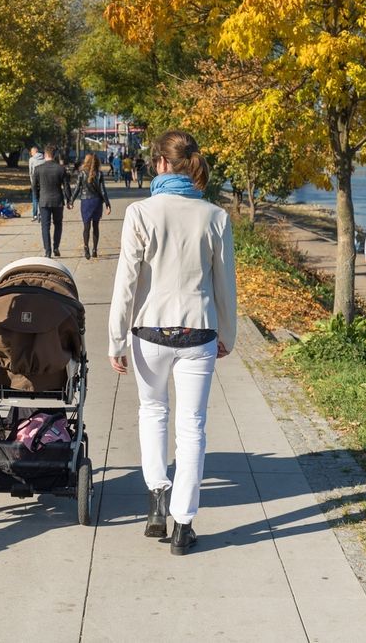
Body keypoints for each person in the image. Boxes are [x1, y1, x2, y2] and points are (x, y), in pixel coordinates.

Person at [108, 130, 237, 556]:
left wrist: (116, 338)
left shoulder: (140, 213)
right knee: (192, 427)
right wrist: (228, 334)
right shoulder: (215, 216)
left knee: (152, 412)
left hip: (150, 332)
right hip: (198, 330)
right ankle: (184, 523)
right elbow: (225, 285)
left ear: (161, 164)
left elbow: (126, 281)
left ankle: (156, 503)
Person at [32, 144, 72, 257]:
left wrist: (37, 198)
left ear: (45, 155)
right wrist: (69, 200)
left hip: (44, 200)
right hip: (58, 201)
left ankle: (47, 251)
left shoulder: (38, 169)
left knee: (45, 226)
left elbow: (34, 186)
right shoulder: (61, 169)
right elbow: (66, 186)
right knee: (58, 224)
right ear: (54, 155)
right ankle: (56, 247)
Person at [70, 152, 111, 259]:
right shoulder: (99, 174)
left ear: (86, 162)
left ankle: (86, 247)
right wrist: (107, 204)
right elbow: (103, 190)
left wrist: (71, 201)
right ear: (97, 162)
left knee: (86, 227)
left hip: (86, 202)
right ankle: (94, 250)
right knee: (96, 226)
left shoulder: (82, 173)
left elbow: (77, 188)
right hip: (97, 202)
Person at [27, 147, 46, 222]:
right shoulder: (44, 159)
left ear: (34, 152)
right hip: (43, 182)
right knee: (42, 198)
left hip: (35, 181)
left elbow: (30, 172)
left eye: (31, 152)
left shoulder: (31, 159)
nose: (31, 153)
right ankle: (41, 214)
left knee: (35, 199)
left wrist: (32, 182)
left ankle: (34, 215)